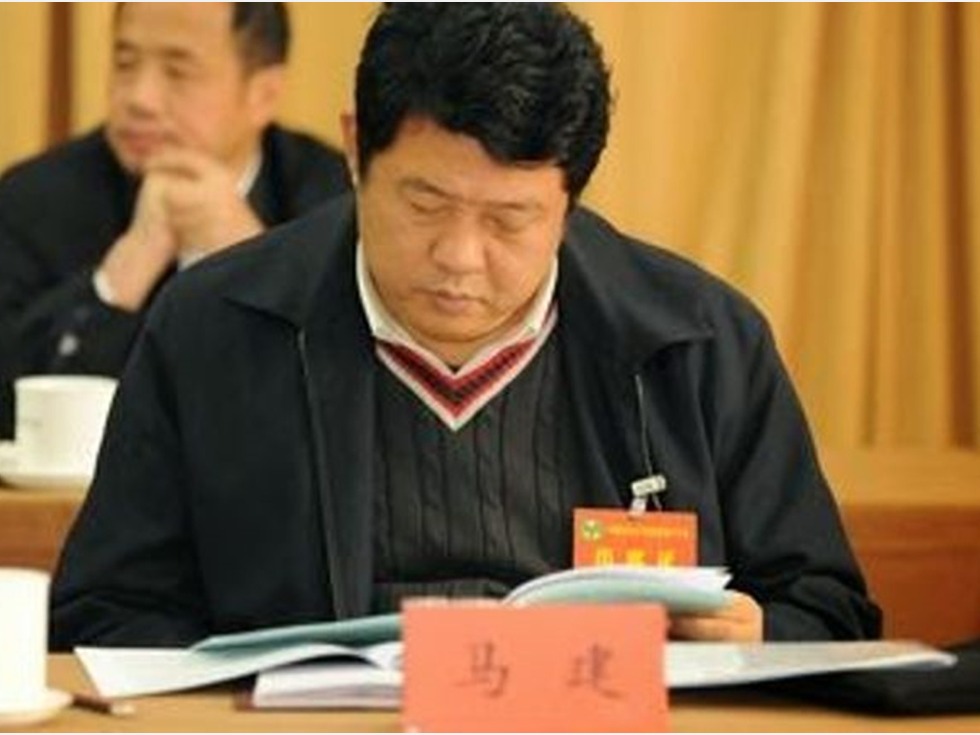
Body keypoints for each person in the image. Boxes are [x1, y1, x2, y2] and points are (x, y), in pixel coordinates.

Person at [50, 3, 881, 648]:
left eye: (510, 219)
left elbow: (829, 609)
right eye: (424, 202)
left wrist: (754, 631)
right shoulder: (212, 328)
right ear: (355, 149)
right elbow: (104, 611)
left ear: (570, 200)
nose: (459, 257)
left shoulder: (697, 342)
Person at [0, 3, 351, 437]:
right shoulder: (38, 198)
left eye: (177, 71)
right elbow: (11, 403)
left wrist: (254, 262)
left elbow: (352, 395)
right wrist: (117, 281)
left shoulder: (334, 202)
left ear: (263, 93)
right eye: (125, 63)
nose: (139, 99)